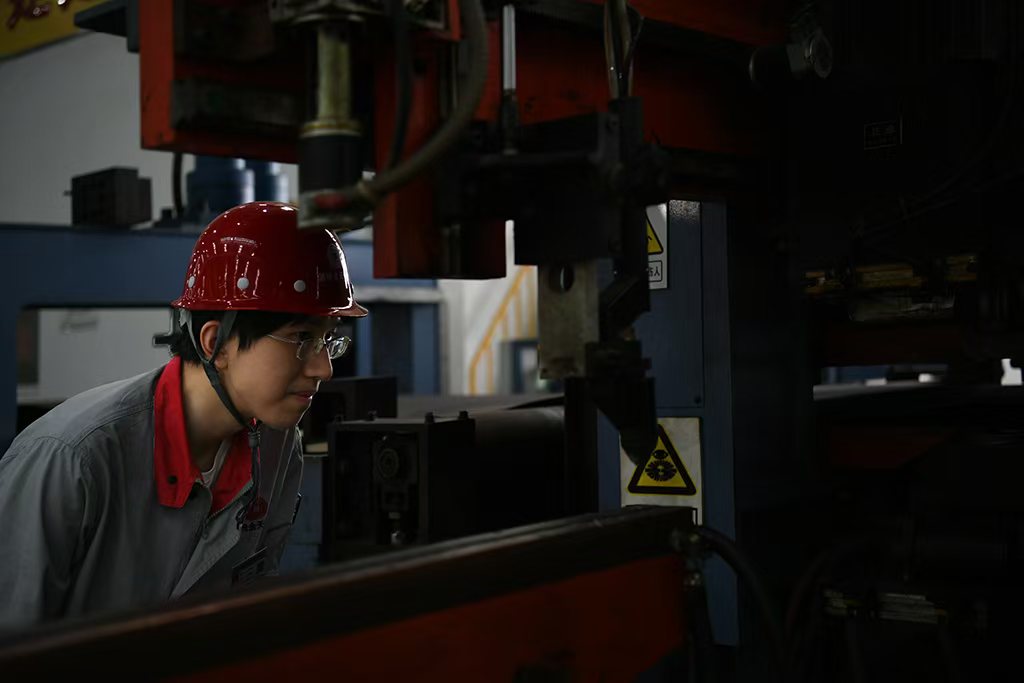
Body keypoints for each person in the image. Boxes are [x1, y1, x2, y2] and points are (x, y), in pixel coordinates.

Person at [0, 201, 367, 629]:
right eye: (301, 338)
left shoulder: (279, 445)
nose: (324, 368)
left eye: (328, 339)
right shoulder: (71, 459)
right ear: (216, 343)